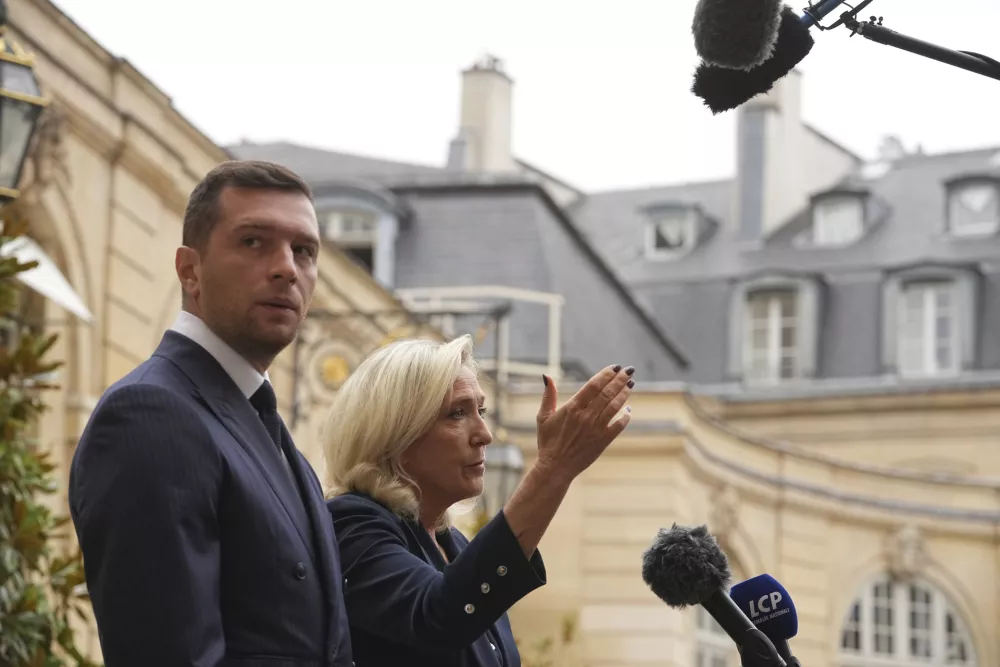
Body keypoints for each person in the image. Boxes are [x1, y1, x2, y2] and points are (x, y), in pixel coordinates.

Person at [68, 160, 353, 667]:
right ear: (189, 270)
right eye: (253, 241)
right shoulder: (150, 414)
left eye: (303, 250)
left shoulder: (269, 431)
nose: (287, 268)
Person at [324, 335, 634, 666]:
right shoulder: (350, 525)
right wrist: (553, 469)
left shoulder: (454, 543)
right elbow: (438, 616)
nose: (485, 434)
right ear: (395, 436)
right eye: (457, 413)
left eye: (481, 410)